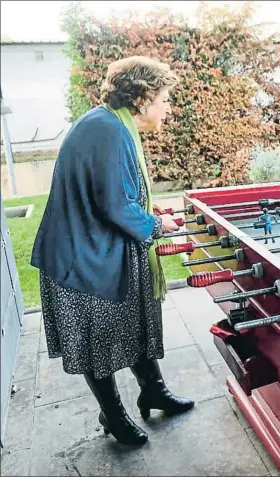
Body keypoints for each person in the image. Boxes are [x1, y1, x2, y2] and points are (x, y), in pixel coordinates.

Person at [29, 56, 194, 447]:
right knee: (98, 341)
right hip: (79, 259)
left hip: (92, 247)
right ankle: (113, 416)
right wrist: (157, 226)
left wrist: (146, 211)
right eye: (165, 98)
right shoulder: (109, 131)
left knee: (133, 321)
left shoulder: (107, 122)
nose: (168, 107)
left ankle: (152, 391)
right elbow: (115, 206)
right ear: (143, 97)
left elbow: (114, 192)